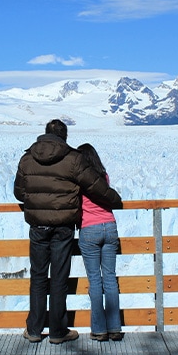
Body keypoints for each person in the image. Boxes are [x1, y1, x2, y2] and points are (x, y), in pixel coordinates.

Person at [13, 119, 122, 344]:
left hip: (38, 227)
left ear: (44, 134)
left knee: (38, 276)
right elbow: (95, 186)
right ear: (65, 137)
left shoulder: (27, 158)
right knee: (60, 278)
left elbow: (18, 192)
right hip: (63, 227)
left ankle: (34, 330)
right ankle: (57, 332)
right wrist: (115, 200)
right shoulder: (73, 159)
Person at [77, 143, 123, 341]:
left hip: (90, 229)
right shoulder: (104, 177)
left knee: (95, 280)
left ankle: (99, 329)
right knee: (110, 279)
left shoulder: (79, 180)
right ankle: (114, 328)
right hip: (110, 227)